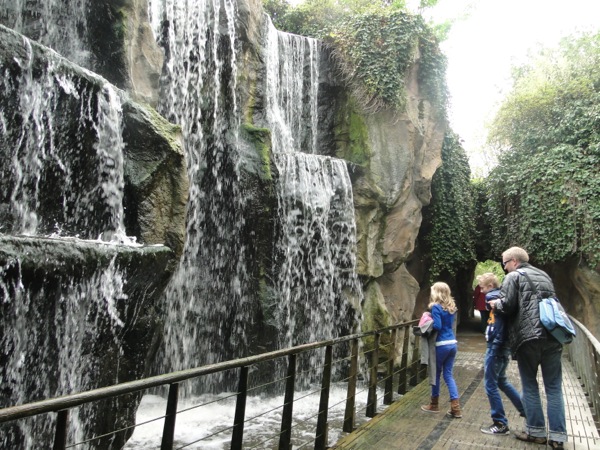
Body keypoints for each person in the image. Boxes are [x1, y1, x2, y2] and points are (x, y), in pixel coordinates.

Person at [489, 247, 566, 449]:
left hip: (528, 338)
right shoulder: (544, 275)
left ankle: (536, 432)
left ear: (513, 261)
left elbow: (507, 306)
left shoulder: (513, 277)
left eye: (504, 263)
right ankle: (558, 437)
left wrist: (496, 304)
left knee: (530, 385)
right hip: (552, 336)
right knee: (554, 387)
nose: (504, 268)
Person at [477, 272, 525, 436]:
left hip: (496, 347)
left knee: (490, 384)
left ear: (490, 286)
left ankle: (500, 423)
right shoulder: (504, 298)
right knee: (502, 381)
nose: (481, 291)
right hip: (503, 347)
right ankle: (525, 410)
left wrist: (495, 346)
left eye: (482, 287)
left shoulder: (493, 298)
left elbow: (500, 325)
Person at [420, 282, 462, 418]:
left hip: (441, 344)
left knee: (436, 374)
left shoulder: (436, 307)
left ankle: (434, 404)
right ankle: (456, 407)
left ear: (436, 293)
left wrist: (428, 319)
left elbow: (437, 326)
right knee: (448, 375)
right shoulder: (452, 307)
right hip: (452, 343)